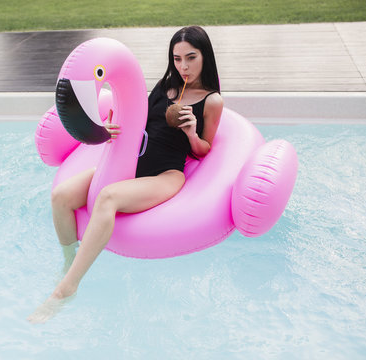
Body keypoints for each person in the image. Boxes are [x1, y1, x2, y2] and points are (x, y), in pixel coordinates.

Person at [28, 25, 224, 323]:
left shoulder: (211, 101)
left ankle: (68, 287)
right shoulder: (165, 86)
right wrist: (109, 125)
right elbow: (137, 121)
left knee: (107, 198)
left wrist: (192, 132)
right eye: (177, 58)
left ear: (205, 57)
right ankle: (69, 261)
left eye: (191, 58)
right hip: (132, 164)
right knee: (61, 196)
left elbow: (202, 151)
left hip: (166, 175)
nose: (183, 66)